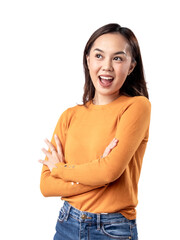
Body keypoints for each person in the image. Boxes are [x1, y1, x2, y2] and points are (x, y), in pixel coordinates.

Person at [39, 23, 151, 240]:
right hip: (67, 224)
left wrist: (61, 169)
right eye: (99, 56)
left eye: (118, 58)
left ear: (131, 66)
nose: (107, 66)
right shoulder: (69, 115)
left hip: (112, 229)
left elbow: (109, 172)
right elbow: (45, 186)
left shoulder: (137, 106)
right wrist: (99, 174)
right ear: (88, 59)